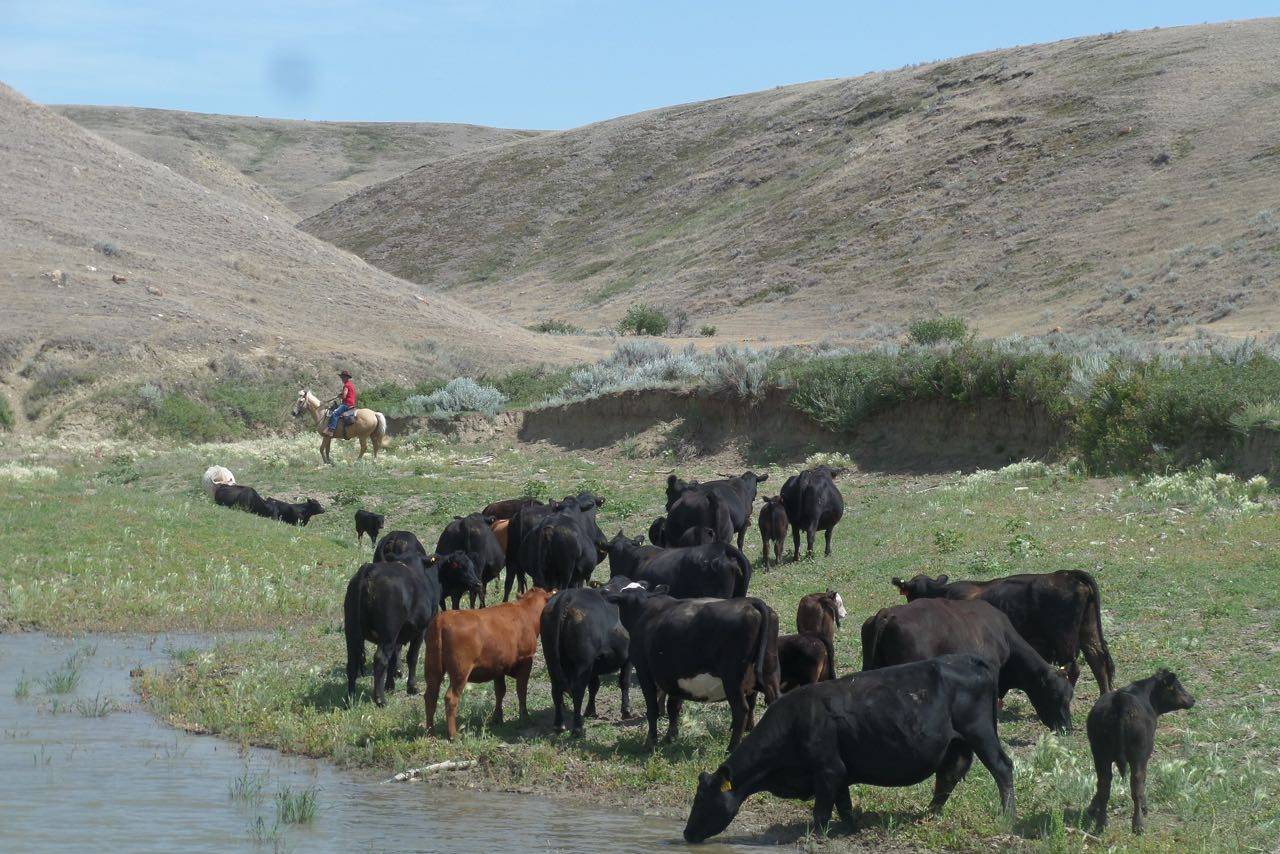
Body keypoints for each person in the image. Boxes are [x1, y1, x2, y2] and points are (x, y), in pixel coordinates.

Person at [325, 370, 357, 437]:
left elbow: (344, 396)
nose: (342, 379)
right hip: (351, 403)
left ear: (346, 378)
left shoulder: (346, 385)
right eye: (341, 377)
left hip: (347, 404)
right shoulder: (351, 385)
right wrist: (341, 395)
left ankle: (331, 430)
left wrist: (341, 396)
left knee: (335, 413)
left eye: (343, 377)